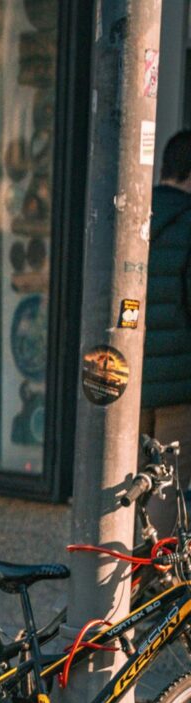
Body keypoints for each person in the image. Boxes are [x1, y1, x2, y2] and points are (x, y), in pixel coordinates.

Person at [142, 129, 191, 534]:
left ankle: (126, 584)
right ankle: (154, 585)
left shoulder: (133, 213)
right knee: (167, 491)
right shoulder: (189, 220)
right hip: (179, 389)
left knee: (133, 487)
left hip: (129, 384)